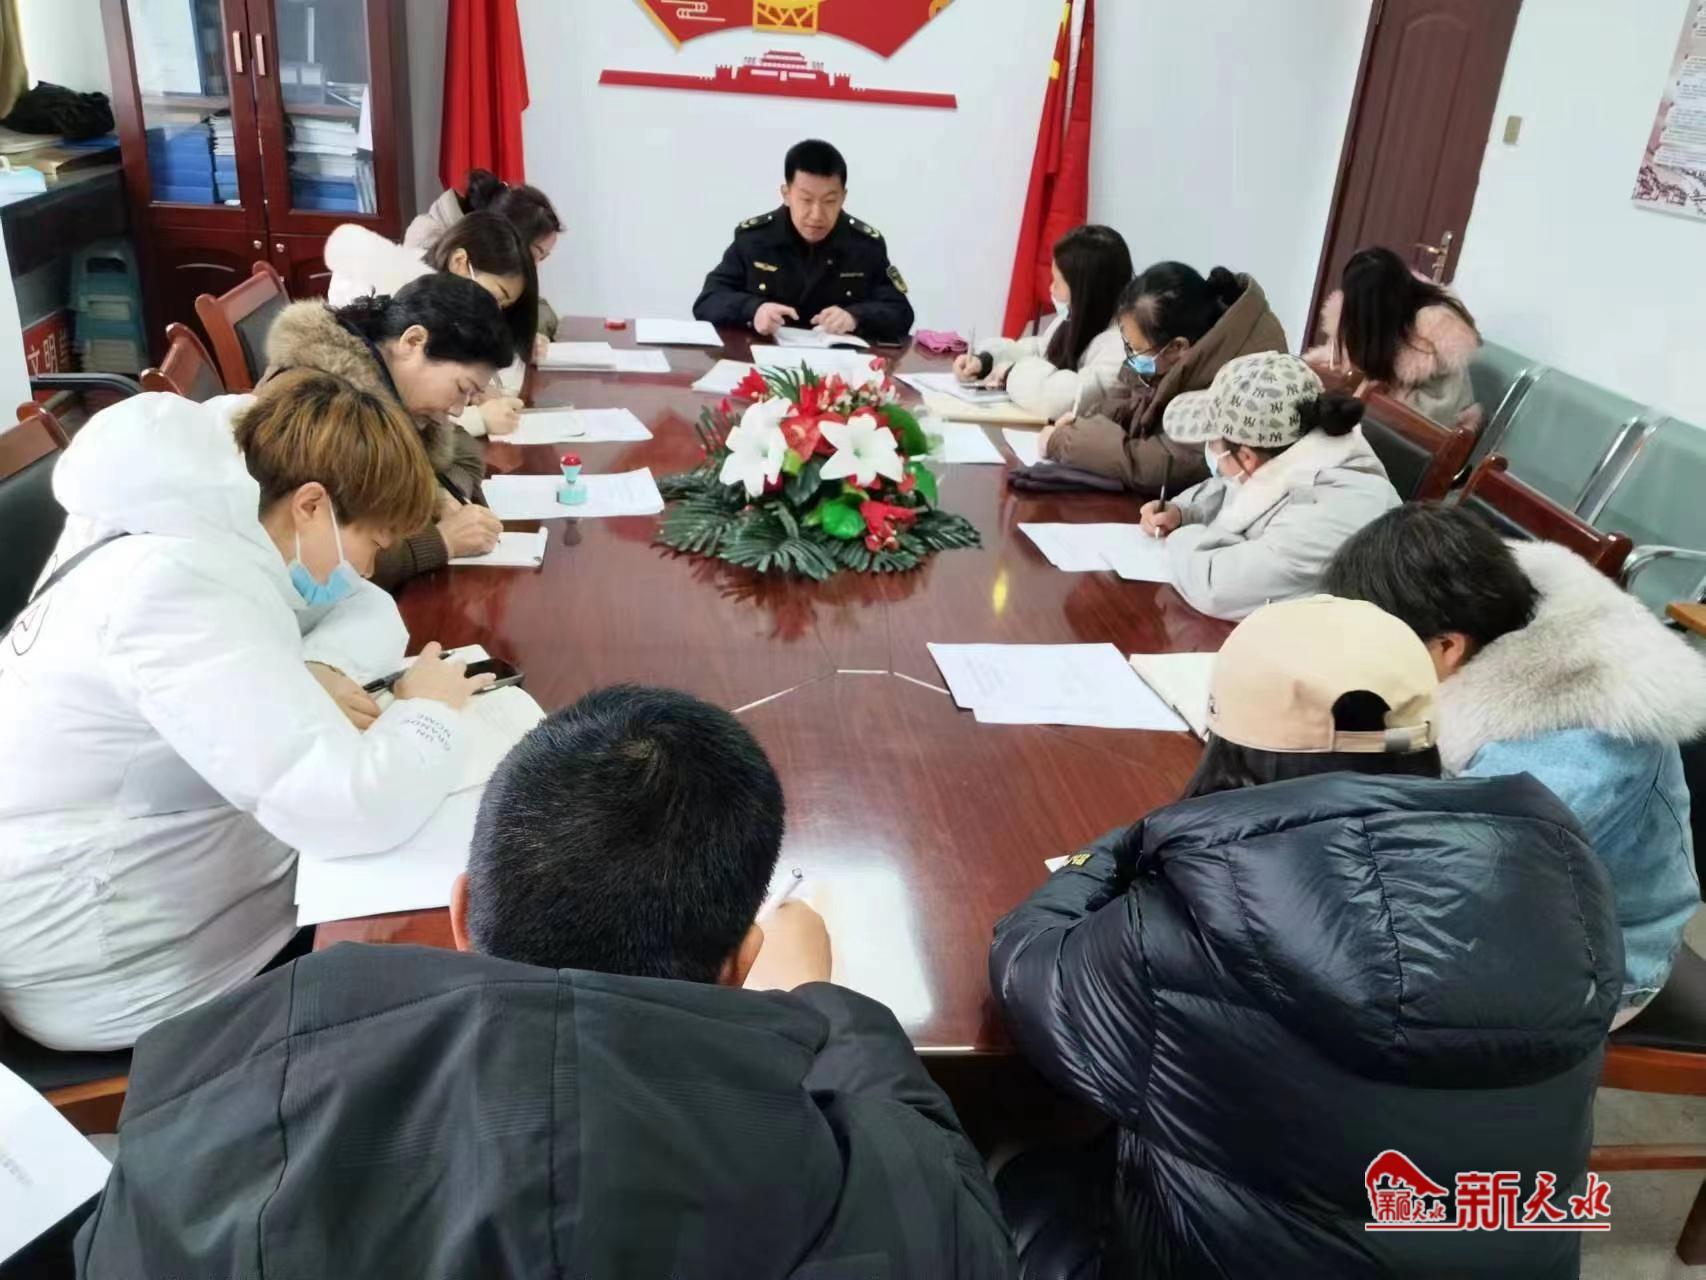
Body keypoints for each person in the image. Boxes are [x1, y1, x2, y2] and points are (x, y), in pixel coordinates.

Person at [77, 686, 1018, 1279]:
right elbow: (958, 1228)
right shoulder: (839, 1175)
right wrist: (824, 1009)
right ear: (739, 965)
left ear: (461, 913)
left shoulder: (216, 1094)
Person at [990, 596, 1622, 1279]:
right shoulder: (1562, 875)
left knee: (1014, 1157)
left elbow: (1028, 968)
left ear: (1229, 743)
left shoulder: (1189, 920)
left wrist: (1124, 846)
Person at [0, 374, 494, 1052]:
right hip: (120, 963)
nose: (368, 568)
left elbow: (367, 605)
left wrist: (318, 668)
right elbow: (349, 809)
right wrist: (428, 712)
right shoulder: (175, 586)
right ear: (312, 505)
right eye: (375, 545)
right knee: (431, 1000)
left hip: (168, 884)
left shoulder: (215, 518)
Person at [1324, 503, 1705, 1022]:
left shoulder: (1574, 753)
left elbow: (1445, 891)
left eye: (1377, 650)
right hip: (1504, 895)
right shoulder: (1495, 616)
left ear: (1447, 647)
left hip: (1596, 956)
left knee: (1339, 1002)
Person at [263, 274, 515, 588]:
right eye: (462, 388)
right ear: (413, 342)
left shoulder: (396, 393)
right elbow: (326, 555)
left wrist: (439, 501)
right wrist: (442, 540)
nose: (457, 410)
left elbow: (464, 450)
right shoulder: (323, 406)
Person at [1138, 351, 1398, 619]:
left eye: (1212, 443)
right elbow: (1234, 490)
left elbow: (1216, 586)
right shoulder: (1294, 449)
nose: (1211, 453)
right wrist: (1183, 512)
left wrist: (1177, 537)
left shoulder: (1333, 510)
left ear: (1247, 457)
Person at [1037, 261, 1288, 493]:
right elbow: (1129, 404)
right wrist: (1081, 423)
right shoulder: (1180, 352)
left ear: (1177, 348)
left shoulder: (1240, 378)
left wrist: (1063, 440)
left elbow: (1158, 464)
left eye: (1135, 349)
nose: (1130, 356)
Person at [324, 210, 540, 437]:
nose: (495, 310)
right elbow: (397, 426)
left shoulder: (437, 312)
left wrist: (475, 386)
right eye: (496, 296)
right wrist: (479, 419)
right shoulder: (400, 305)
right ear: (459, 262)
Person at [693, 139, 915, 343]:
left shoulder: (865, 246)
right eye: (806, 200)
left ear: (843, 197)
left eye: (829, 201)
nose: (816, 215)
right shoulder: (755, 240)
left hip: (838, 365)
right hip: (764, 359)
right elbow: (708, 300)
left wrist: (855, 317)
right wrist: (753, 310)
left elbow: (901, 312)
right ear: (786, 194)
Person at [953, 225, 1131, 422]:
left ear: (1085, 291)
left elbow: (1072, 399)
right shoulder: (1078, 317)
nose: (1051, 289)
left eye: (1058, 282)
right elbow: (1041, 350)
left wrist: (1011, 373)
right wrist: (986, 361)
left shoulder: (1125, 345)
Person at [1303, 245, 1482, 426]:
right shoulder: (1372, 320)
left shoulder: (1437, 333)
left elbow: (1439, 414)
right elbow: (1341, 361)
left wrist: (1373, 395)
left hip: (1432, 429)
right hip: (1388, 423)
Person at [407, 166, 564, 351]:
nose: (535, 267)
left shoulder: (488, 261)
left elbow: (536, 310)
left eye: (542, 259)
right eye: (535, 254)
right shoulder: (430, 249)